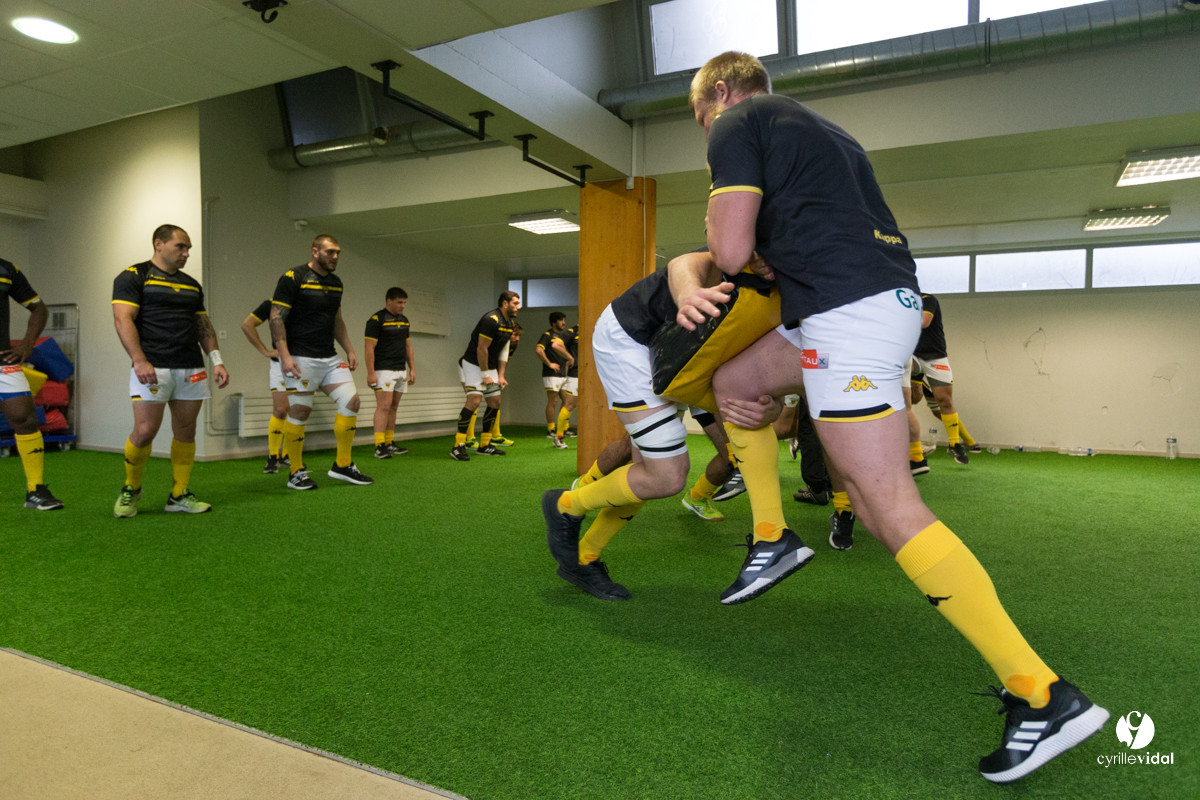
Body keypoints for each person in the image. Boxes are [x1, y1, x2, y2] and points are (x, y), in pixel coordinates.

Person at [687, 51, 1106, 784]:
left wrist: (716, 231)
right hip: (855, 310)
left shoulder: (737, 122)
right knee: (733, 380)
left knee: (890, 510)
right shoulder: (829, 133)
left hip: (848, 320)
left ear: (720, 92)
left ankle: (1044, 695)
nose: (703, 130)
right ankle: (772, 534)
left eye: (699, 117)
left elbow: (730, 250)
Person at [542, 251, 796, 601]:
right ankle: (566, 505)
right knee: (668, 475)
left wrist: (774, 405)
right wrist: (690, 292)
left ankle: (583, 557)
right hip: (632, 339)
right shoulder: (736, 256)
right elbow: (685, 263)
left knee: (652, 467)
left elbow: (771, 364)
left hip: (681, 354)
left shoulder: (802, 289)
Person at [111, 225, 229, 517]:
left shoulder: (191, 284)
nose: (186, 253)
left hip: (190, 367)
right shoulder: (133, 276)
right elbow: (122, 319)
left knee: (186, 432)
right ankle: (131, 488)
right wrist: (139, 360)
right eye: (180, 247)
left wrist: (217, 360)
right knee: (145, 431)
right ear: (159, 244)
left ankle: (178, 494)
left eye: (188, 248)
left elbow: (203, 324)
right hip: (152, 367)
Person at [269, 234, 372, 490]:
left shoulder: (337, 283)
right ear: (315, 251)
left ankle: (342, 465)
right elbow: (275, 317)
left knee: (352, 402)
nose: (335, 257)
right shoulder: (294, 278)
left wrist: (348, 349)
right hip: (301, 357)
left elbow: (337, 319)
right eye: (330, 252)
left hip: (329, 357)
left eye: (338, 252)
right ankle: (295, 471)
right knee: (300, 412)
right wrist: (284, 355)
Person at [0, 257, 63, 510]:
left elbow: (38, 308)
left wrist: (27, 344)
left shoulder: (6, 270)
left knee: (24, 417)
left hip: (2, 359)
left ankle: (35, 489)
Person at [451, 291, 520, 460]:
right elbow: (482, 348)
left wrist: (501, 375)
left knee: (495, 402)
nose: (518, 307)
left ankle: (485, 444)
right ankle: (458, 446)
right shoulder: (491, 320)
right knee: (474, 400)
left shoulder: (510, 323)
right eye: (515, 303)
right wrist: (484, 374)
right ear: (505, 304)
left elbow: (503, 351)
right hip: (474, 363)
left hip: (490, 365)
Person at [912, 292, 973, 464]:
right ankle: (912, 448)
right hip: (913, 356)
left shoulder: (927, 299)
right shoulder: (896, 302)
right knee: (911, 399)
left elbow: (924, 322)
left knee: (945, 401)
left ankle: (954, 443)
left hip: (935, 357)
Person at [364, 287, 415, 459]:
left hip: (400, 369)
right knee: (384, 406)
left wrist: (412, 368)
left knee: (394, 406)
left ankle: (389, 442)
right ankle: (379, 445)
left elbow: (408, 346)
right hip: (383, 369)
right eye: (399, 302)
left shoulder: (405, 321)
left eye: (404, 303)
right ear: (389, 301)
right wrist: (370, 373)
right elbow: (369, 348)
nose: (403, 306)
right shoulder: (376, 320)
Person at [240, 300, 290, 474]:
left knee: (298, 410)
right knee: (281, 410)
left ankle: (288, 455)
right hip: (280, 363)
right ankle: (273, 456)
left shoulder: (305, 303)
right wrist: (265, 351)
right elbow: (247, 325)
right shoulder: (271, 305)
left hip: (304, 362)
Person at [535, 312, 575, 449]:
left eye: (564, 320)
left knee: (567, 400)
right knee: (553, 401)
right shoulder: (548, 335)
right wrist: (549, 364)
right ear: (554, 323)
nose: (563, 323)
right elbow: (539, 350)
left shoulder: (563, 337)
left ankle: (564, 428)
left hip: (564, 374)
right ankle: (551, 429)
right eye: (560, 320)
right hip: (551, 374)